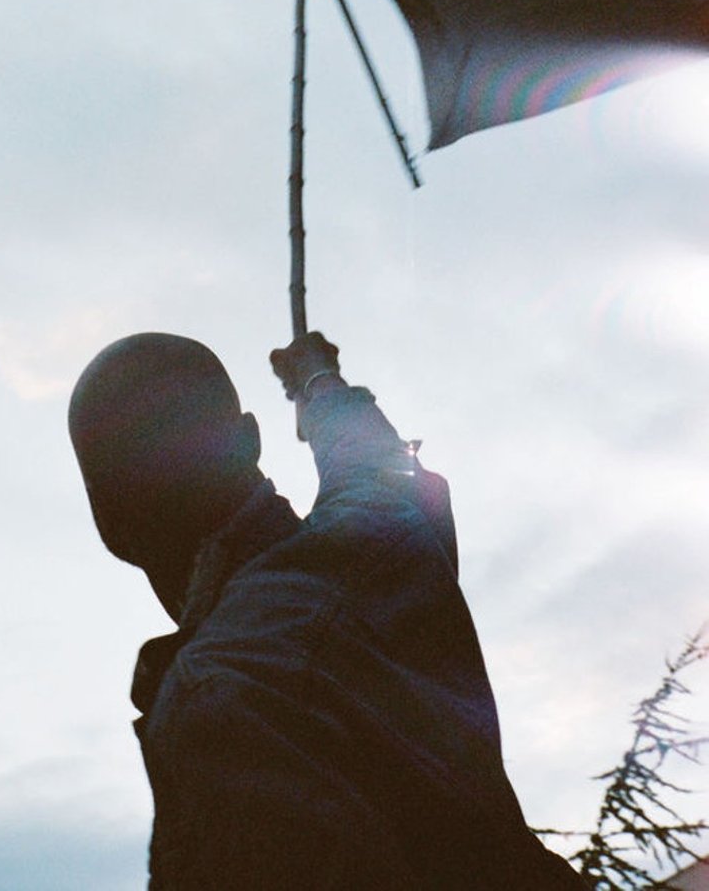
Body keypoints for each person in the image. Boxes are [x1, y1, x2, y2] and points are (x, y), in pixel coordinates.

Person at [68, 329, 582, 889]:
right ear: (249, 440)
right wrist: (316, 381)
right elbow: (372, 459)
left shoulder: (217, 700)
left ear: (108, 528)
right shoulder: (376, 535)